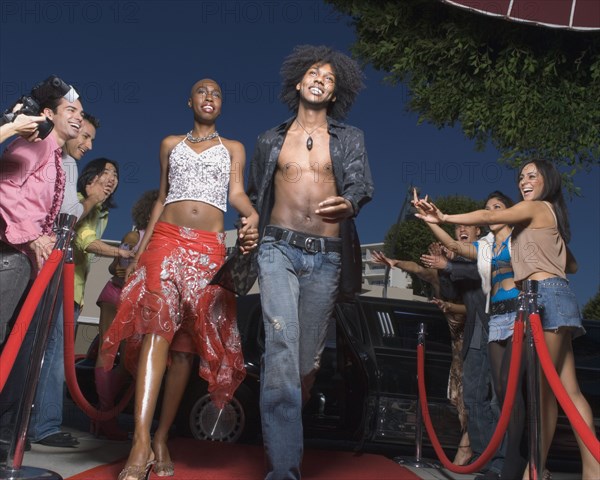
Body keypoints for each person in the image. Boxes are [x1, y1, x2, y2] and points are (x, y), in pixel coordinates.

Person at [101, 78, 258, 480]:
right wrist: (140, 251)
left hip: (208, 248)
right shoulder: (170, 144)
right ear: (189, 100)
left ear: (222, 105)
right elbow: (162, 197)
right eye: (202, 91)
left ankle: (161, 436)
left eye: (217, 93)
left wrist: (252, 214)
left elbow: (236, 193)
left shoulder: (234, 149)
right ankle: (139, 439)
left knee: (186, 348)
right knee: (157, 328)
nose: (210, 97)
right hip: (166, 242)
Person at [414, 161, 600, 480]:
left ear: (548, 181)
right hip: (557, 296)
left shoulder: (537, 208)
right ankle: (590, 469)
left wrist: (443, 216)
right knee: (568, 390)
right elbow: (573, 265)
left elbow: (488, 217)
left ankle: (535, 470)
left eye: (532, 175)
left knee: (541, 393)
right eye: (521, 177)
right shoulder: (546, 216)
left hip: (542, 299)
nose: (524, 181)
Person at [246, 45, 373, 480]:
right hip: (277, 247)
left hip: (327, 256)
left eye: (330, 77)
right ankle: (283, 470)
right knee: (281, 348)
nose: (320, 78)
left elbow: (361, 183)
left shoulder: (351, 138)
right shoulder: (269, 139)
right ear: (299, 83)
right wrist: (250, 227)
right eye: (314, 73)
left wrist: (350, 201)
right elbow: (256, 192)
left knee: (304, 367)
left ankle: (284, 436)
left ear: (335, 93)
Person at [0, 84, 83, 459]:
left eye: (81, 111)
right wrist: (34, 237)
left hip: (32, 261)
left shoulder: (57, 157)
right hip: (11, 254)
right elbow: (4, 186)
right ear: (48, 114)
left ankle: (6, 432)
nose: (79, 116)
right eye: (72, 109)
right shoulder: (35, 143)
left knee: (23, 349)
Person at [420, 191, 528, 478]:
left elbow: (477, 272)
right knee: (473, 399)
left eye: (497, 208)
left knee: (501, 400)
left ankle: (506, 461)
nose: (463, 229)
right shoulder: (477, 248)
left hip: (507, 324)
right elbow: (456, 286)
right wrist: (444, 266)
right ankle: (484, 456)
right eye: (459, 227)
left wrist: (449, 264)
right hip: (478, 331)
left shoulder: (509, 244)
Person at [28, 113, 106, 448]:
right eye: (84, 136)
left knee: (44, 349)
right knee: (53, 349)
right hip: (47, 270)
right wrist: (91, 199)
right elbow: (69, 216)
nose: (87, 145)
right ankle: (41, 425)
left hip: (51, 271)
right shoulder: (64, 162)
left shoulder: (62, 163)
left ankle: (32, 425)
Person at [372, 243, 473, 466]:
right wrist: (395, 262)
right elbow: (416, 269)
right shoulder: (437, 277)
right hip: (456, 341)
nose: (440, 255)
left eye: (448, 252)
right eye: (438, 252)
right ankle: (469, 444)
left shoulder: (470, 277)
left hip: (474, 336)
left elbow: (476, 308)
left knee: (470, 395)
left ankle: (467, 446)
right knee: (457, 396)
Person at [93, 189, 159, 440]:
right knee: (107, 351)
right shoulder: (135, 234)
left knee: (128, 358)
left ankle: (106, 413)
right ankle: (103, 416)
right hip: (115, 294)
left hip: (138, 301)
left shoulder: (161, 239)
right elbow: (117, 266)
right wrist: (123, 266)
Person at [72, 157, 131, 319]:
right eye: (106, 172)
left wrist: (80, 298)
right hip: (59, 288)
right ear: (91, 177)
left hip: (75, 294)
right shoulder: (77, 201)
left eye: (115, 175)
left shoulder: (102, 214)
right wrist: (123, 253)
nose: (112, 178)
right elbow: (87, 242)